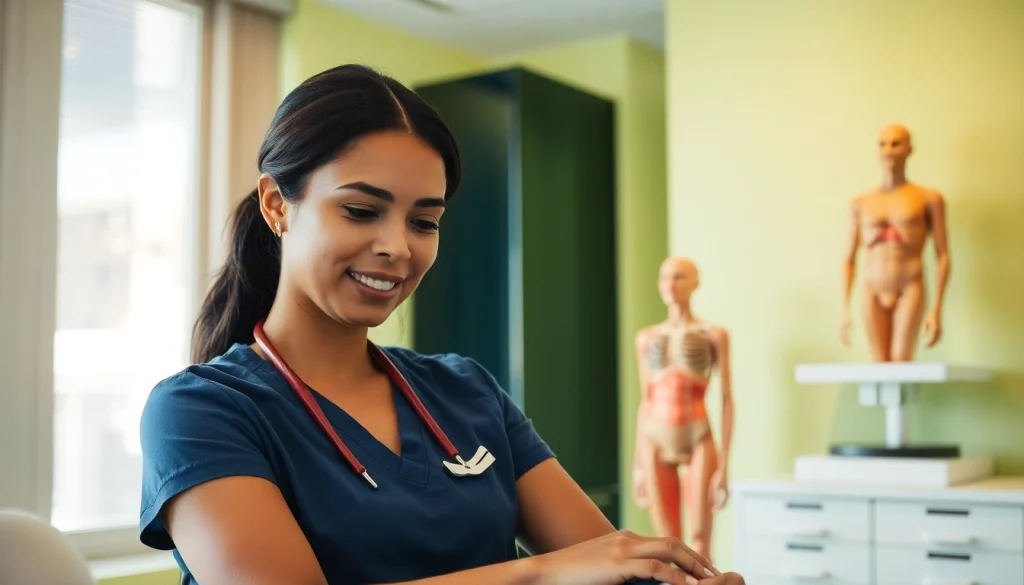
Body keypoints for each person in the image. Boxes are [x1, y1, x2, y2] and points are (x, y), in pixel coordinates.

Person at [137, 64, 745, 585]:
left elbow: (605, 564)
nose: (397, 247)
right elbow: (568, 565)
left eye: (424, 222)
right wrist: (535, 571)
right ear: (277, 205)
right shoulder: (199, 413)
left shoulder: (466, 392)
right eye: (360, 210)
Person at [631, 257, 733, 563]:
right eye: (664, 278)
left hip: (698, 433)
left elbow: (727, 400)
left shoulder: (713, 335)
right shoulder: (646, 338)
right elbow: (645, 400)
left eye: (678, 277)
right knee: (666, 545)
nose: (670, 285)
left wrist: (724, 467)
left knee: (700, 542)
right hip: (655, 438)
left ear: (695, 283)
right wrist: (637, 465)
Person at [841, 123, 950, 362]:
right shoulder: (861, 203)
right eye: (883, 144)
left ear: (909, 149)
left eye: (896, 143)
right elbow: (849, 258)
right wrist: (844, 309)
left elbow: (942, 255)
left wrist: (936, 309)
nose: (889, 150)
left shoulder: (928, 199)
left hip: (909, 284)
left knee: (901, 359)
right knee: (879, 364)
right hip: (871, 286)